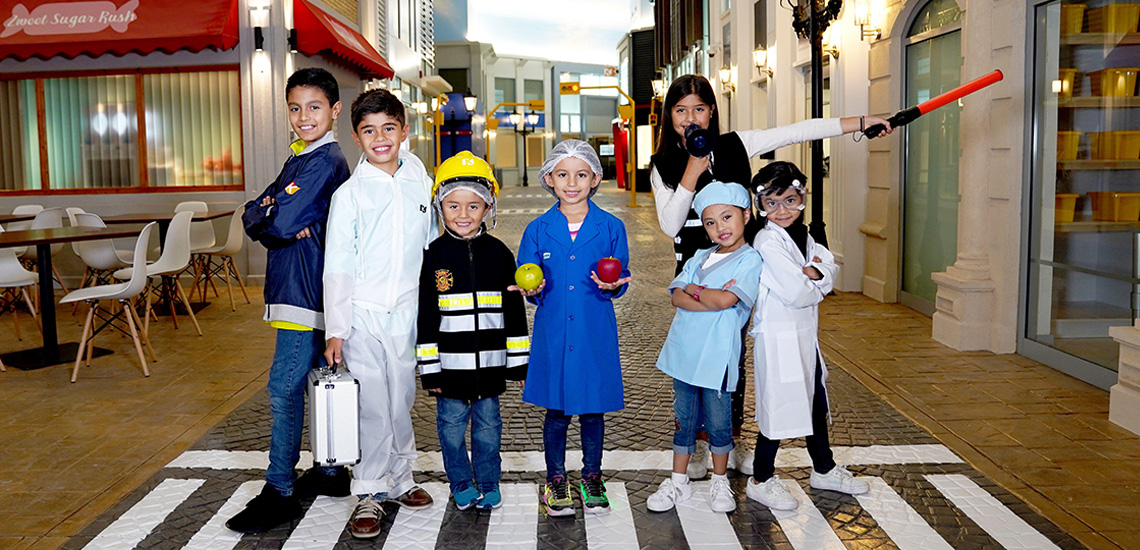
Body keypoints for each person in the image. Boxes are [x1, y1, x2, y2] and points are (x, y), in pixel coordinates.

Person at [649, 74, 895, 480]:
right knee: (693, 360)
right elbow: (671, 224)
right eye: (680, 110)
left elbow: (799, 131)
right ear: (669, 116)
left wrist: (861, 120)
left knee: (732, 361)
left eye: (698, 108)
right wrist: (692, 169)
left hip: (741, 272)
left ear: (712, 111)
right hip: (697, 275)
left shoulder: (736, 145)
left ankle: (728, 437)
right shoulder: (663, 164)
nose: (690, 118)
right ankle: (692, 443)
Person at [227, 67, 351, 533]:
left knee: (282, 389)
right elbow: (254, 213)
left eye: (314, 107)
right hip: (296, 287)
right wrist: (269, 212)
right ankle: (330, 470)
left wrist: (273, 214)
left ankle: (279, 488)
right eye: (295, 108)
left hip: (305, 292)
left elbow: (275, 223)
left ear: (335, 111)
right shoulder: (300, 157)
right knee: (316, 382)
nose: (303, 117)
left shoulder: (323, 161)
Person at [323, 88, 438, 538]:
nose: (380, 138)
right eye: (369, 131)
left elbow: (432, 238)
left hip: (408, 310)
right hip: (363, 314)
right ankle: (369, 492)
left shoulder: (418, 177)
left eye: (389, 128)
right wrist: (337, 328)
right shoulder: (349, 195)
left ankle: (402, 478)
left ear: (404, 130)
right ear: (356, 138)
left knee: (400, 398)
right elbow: (338, 263)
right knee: (372, 402)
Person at [744, 161, 869, 511]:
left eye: (790, 200)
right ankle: (761, 478)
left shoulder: (805, 235)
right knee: (778, 405)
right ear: (760, 204)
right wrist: (818, 281)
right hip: (780, 334)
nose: (782, 210)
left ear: (803, 196)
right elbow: (798, 292)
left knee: (815, 401)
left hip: (804, 334)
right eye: (771, 203)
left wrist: (814, 274)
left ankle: (824, 467)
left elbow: (830, 266)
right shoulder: (768, 240)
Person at [516, 140, 631, 517]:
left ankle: (592, 475)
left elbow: (621, 275)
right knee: (557, 411)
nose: (572, 182)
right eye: (563, 174)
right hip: (553, 333)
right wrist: (532, 291)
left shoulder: (611, 227)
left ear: (595, 178)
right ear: (549, 177)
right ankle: (555, 478)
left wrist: (617, 285)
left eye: (581, 174)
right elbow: (528, 277)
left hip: (593, 331)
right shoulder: (538, 229)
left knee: (593, 409)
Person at [416, 152, 530, 511]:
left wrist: (518, 364)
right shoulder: (432, 256)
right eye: (453, 206)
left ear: (488, 207)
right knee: (451, 430)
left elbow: (514, 311)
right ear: (439, 207)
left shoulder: (499, 254)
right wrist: (429, 368)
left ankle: (488, 480)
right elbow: (425, 316)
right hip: (448, 370)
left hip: (491, 367)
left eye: (473, 206)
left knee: (488, 429)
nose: (463, 215)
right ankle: (461, 481)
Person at [647, 182, 762, 514]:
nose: (719, 228)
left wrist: (695, 291)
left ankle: (720, 480)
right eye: (710, 222)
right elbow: (676, 296)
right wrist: (705, 294)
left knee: (719, 421)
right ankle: (678, 481)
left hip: (717, 356)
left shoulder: (750, 259)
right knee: (684, 418)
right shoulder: (699, 256)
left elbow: (727, 300)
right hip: (684, 353)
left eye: (727, 217)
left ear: (746, 215)